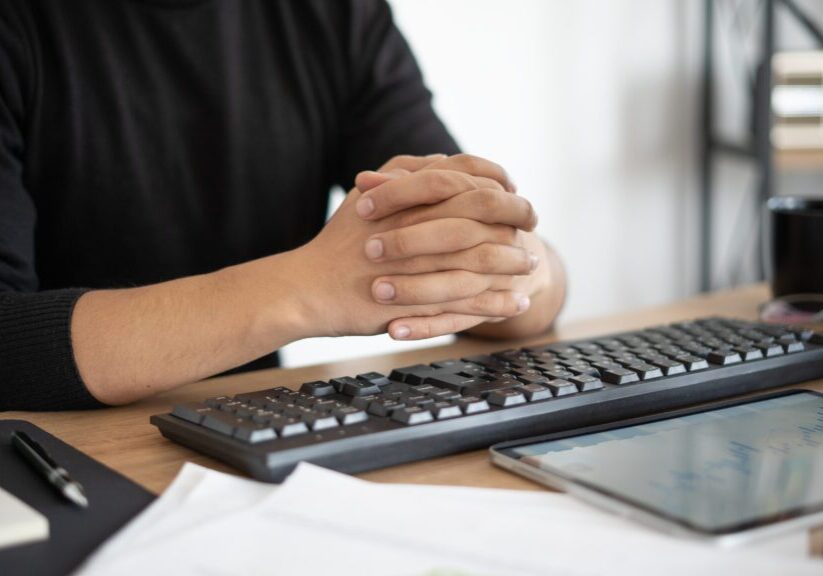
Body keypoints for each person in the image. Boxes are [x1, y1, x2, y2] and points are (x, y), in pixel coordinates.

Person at [0, 0, 565, 411]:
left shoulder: (336, 16)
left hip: (250, 434)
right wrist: (306, 287)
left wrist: (516, 266)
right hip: (57, 456)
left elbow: (487, 259)